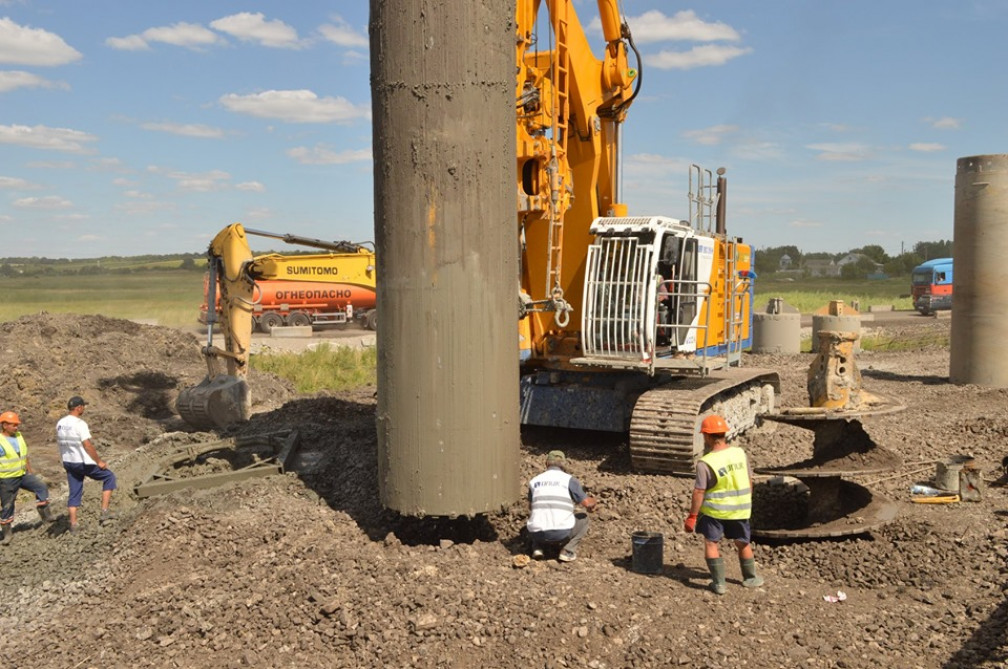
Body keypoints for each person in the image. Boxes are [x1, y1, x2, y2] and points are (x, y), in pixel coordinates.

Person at [682, 413, 764, 594]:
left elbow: (699, 492)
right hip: (740, 509)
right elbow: (749, 479)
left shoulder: (705, 463)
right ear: (724, 434)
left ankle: (719, 584)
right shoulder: (739, 453)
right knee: (743, 543)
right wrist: (746, 500)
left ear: (707, 436)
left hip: (715, 512)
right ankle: (751, 578)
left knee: (711, 543)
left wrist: (692, 516)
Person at [56, 396, 117, 533]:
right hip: (81, 462)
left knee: (74, 491)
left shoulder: (60, 423)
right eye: (83, 406)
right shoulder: (80, 424)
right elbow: (87, 445)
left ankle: (73, 525)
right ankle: (105, 512)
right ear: (79, 407)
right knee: (109, 477)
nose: (84, 408)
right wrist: (99, 461)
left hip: (68, 461)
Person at [526, 450, 597, 562]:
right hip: (561, 534)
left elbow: (531, 507)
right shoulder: (569, 480)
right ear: (563, 464)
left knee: (536, 517)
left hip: (537, 534)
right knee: (584, 519)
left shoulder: (534, 481)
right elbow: (587, 503)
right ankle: (567, 551)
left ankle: (537, 548)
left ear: (547, 464)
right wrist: (594, 501)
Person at [0, 411, 55, 545]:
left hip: (23, 475)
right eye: (13, 425)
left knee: (41, 487)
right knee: (8, 506)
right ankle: (7, 534)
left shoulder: (19, 436)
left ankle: (46, 517)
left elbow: (24, 456)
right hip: (7, 479)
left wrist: (30, 472)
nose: (16, 427)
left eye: (17, 425)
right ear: (4, 425)